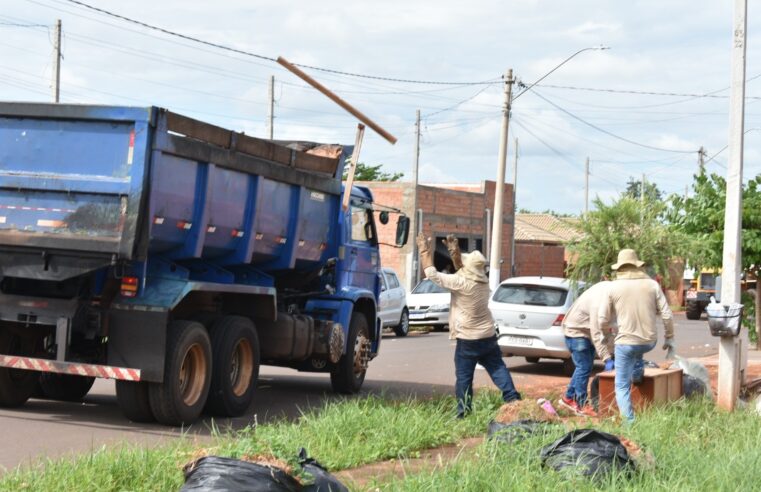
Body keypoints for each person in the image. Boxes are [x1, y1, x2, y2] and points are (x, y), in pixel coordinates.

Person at [417, 233, 521, 418]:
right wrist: (454, 251)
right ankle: (513, 399)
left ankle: (463, 412)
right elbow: (461, 268)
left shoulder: (462, 282)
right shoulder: (483, 281)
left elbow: (431, 274)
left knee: (464, 377)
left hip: (468, 339)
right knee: (498, 368)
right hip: (488, 335)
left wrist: (424, 250)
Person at [598, 248, 675, 422]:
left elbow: (602, 319)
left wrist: (608, 333)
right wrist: (669, 338)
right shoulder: (652, 285)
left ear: (619, 268)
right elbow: (667, 315)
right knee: (637, 349)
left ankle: (630, 424)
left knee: (621, 386)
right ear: (637, 266)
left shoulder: (613, 287)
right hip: (649, 341)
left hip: (625, 343)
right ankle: (638, 374)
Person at [559, 280, 614, 416]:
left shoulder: (611, 291)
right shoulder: (599, 303)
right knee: (583, 367)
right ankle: (581, 404)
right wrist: (607, 358)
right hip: (576, 332)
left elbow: (608, 330)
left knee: (585, 367)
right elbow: (597, 333)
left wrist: (613, 351)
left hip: (585, 331)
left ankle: (568, 397)